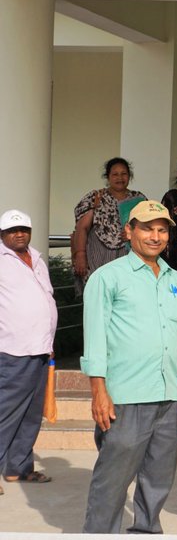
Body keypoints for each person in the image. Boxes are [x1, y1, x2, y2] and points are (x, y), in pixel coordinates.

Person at [80, 201, 177, 534]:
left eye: (162, 229)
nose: (156, 236)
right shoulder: (107, 278)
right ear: (129, 231)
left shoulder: (176, 280)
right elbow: (95, 339)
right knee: (113, 480)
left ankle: (146, 532)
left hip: (169, 395)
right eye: (147, 228)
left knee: (158, 478)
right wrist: (98, 391)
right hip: (125, 397)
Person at [0, 210, 57, 490]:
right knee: (6, 412)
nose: (19, 233)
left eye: (23, 228)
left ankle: (18, 468)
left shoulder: (36, 258)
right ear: (2, 235)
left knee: (32, 414)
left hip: (40, 348)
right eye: (12, 230)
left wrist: (49, 343)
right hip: (12, 349)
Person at [72, 158, 147, 289]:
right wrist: (80, 255)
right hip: (99, 257)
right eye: (115, 174)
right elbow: (82, 228)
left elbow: (148, 228)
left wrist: (133, 234)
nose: (120, 178)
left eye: (124, 174)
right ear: (108, 177)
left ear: (129, 176)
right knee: (100, 295)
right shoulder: (96, 198)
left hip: (129, 256)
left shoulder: (138, 199)